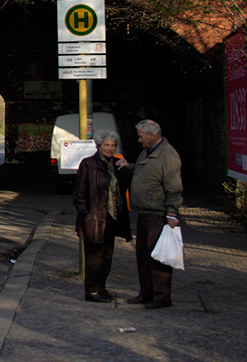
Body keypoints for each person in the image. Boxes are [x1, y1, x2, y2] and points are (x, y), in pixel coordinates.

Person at [126, 119, 183, 309]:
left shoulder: (167, 155)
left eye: (141, 136)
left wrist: (172, 213)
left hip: (156, 214)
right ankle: (146, 293)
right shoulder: (149, 151)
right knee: (143, 255)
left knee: (158, 257)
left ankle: (161, 297)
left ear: (152, 135)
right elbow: (146, 172)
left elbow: (174, 187)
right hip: (144, 212)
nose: (139, 141)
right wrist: (131, 168)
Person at [73, 130, 131, 302]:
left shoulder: (116, 165)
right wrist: (85, 213)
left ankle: (102, 288)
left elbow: (124, 187)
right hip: (94, 218)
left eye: (113, 145)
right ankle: (91, 291)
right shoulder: (89, 164)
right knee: (94, 257)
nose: (110, 148)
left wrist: (126, 170)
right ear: (99, 146)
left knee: (107, 255)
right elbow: (79, 192)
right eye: (107, 145)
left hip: (112, 218)